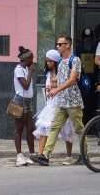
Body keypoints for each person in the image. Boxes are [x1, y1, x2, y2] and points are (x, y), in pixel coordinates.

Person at [34, 35, 85, 166]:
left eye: (60, 44)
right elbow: (62, 78)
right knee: (54, 126)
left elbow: (73, 79)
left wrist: (57, 89)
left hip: (73, 101)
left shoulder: (75, 60)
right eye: (57, 44)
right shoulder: (62, 61)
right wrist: (53, 84)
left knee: (79, 128)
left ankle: (85, 155)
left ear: (68, 45)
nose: (58, 46)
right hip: (62, 102)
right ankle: (45, 155)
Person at [32, 49, 75, 165]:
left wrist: (56, 86)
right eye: (47, 61)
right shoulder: (48, 74)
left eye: (50, 61)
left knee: (67, 131)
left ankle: (69, 156)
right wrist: (48, 90)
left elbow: (66, 86)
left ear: (56, 62)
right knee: (44, 127)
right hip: (50, 105)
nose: (48, 63)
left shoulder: (63, 72)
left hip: (62, 104)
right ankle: (42, 154)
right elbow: (48, 89)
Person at [13, 46, 36, 166]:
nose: (33, 61)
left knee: (30, 129)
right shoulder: (18, 69)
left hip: (27, 102)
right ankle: (19, 156)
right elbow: (25, 86)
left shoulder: (26, 69)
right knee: (19, 129)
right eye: (31, 58)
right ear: (26, 59)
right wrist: (31, 72)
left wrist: (30, 71)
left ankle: (32, 154)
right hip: (20, 102)